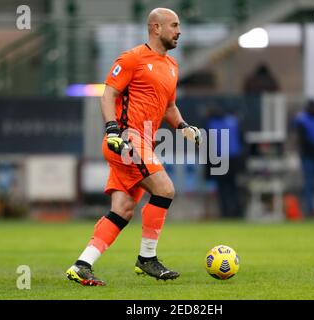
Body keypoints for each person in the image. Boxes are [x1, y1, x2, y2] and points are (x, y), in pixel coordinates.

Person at [66, 8, 202, 286]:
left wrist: (184, 126)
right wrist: (111, 129)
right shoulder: (132, 58)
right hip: (126, 140)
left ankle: (82, 265)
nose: (179, 31)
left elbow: (170, 107)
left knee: (122, 209)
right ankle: (147, 259)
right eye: (174, 26)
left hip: (145, 142)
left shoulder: (172, 66)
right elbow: (109, 94)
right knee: (165, 189)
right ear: (155, 28)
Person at [205, 106, 244, 218]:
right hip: (234, 158)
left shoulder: (211, 124)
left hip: (219, 158)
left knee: (222, 188)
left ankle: (226, 213)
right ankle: (237, 212)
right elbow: (241, 139)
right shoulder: (233, 121)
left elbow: (208, 145)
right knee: (234, 187)